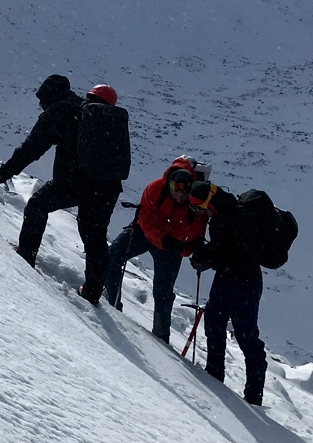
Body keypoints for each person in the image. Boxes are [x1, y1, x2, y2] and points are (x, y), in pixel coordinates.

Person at [0, 76, 122, 305]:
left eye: (42, 100)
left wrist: (5, 171)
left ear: (49, 95)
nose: (41, 106)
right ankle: (92, 292)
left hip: (73, 183)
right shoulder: (99, 118)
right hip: (107, 187)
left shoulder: (60, 111)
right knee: (95, 237)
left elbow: (32, 148)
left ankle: (25, 257)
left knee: (37, 205)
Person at [102, 156, 212, 341]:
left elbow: (195, 238)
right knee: (112, 257)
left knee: (163, 293)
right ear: (170, 183)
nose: (180, 194)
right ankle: (111, 304)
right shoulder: (155, 188)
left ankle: (161, 337)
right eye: (176, 188)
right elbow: (144, 219)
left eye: (185, 190)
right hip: (145, 234)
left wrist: (181, 249)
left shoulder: (195, 203)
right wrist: (164, 240)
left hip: (171, 246)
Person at [188, 181, 269, 406]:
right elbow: (223, 249)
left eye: (197, 207)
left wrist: (211, 258)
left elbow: (242, 257)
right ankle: (214, 376)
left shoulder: (239, 216)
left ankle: (253, 396)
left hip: (245, 283)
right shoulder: (219, 216)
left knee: (245, 335)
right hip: (227, 279)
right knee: (214, 323)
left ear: (207, 202)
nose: (197, 212)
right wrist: (208, 256)